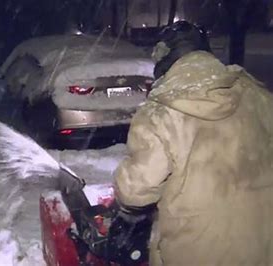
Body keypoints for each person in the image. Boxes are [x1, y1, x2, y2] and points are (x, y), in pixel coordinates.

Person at [113, 20, 273, 266]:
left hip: (198, 252)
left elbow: (135, 191)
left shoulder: (160, 112)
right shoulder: (259, 95)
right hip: (262, 243)